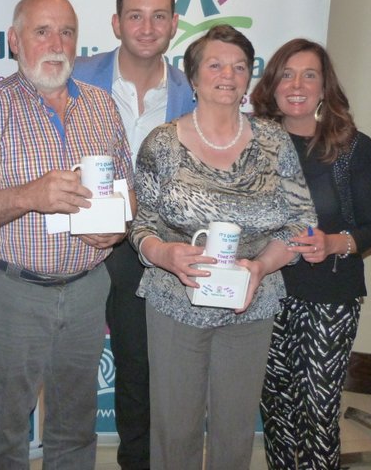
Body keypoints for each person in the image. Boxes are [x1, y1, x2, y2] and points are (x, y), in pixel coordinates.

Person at [0, 0, 135, 469]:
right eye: (42, 32)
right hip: (16, 293)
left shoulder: (102, 106)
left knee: (75, 423)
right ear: (15, 40)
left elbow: (128, 190)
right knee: (10, 426)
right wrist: (28, 196)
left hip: (88, 289)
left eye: (67, 32)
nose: (57, 44)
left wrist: (118, 227)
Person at [129, 24, 317, 470]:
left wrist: (261, 266)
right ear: (193, 77)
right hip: (175, 303)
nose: (228, 75)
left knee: (235, 431)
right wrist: (165, 255)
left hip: (251, 305)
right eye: (215, 65)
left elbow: (302, 224)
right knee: (175, 430)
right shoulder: (161, 143)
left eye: (239, 66)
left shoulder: (274, 142)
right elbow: (141, 225)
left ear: (249, 77)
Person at [73, 0, 194, 470]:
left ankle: (136, 461)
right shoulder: (76, 77)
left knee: (139, 365)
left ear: (174, 24)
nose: (147, 27)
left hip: (148, 249)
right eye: (135, 15)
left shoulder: (191, 92)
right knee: (69, 367)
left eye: (159, 16)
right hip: (76, 242)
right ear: (116, 22)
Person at [251, 38, 371, 470]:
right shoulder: (253, 142)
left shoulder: (351, 147)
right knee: (276, 408)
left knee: (318, 409)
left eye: (309, 75)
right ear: (272, 85)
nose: (297, 85)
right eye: (287, 75)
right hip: (265, 293)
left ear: (324, 87)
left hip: (330, 296)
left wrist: (333, 242)